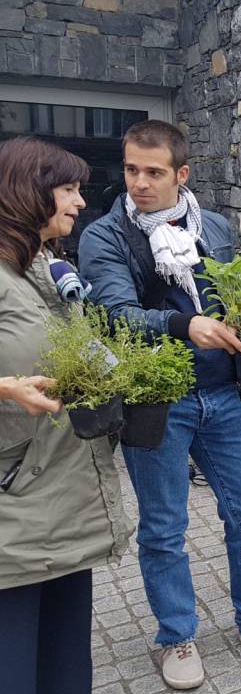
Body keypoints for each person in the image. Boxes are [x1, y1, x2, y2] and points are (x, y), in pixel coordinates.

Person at [78, 121, 241, 691]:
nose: (139, 183)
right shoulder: (107, 235)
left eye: (154, 172)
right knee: (165, 527)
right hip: (157, 402)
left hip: (222, 395)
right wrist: (184, 323)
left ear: (181, 174)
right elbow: (114, 312)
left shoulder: (212, 227)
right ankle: (175, 636)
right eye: (132, 170)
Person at [0, 136, 132, 694]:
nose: (81, 202)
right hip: (15, 511)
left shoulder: (46, 272)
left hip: (67, 501)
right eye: (69, 190)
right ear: (29, 193)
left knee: (66, 667)